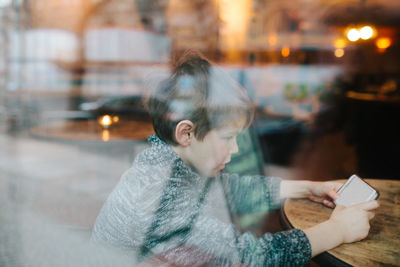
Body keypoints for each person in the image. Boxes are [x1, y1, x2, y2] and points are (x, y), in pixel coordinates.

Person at [92, 52, 379, 266]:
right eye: (229, 137)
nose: (236, 149)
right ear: (186, 133)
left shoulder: (167, 162)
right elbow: (249, 259)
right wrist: (338, 229)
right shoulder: (158, 192)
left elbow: (229, 191)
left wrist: (307, 188)